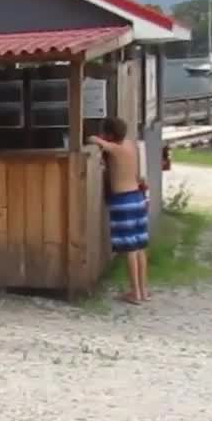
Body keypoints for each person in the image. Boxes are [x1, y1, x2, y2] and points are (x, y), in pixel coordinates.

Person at [89, 116, 150, 304]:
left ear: (109, 134)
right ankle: (144, 291)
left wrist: (98, 138)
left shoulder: (114, 149)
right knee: (139, 247)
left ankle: (135, 293)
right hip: (137, 197)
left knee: (129, 249)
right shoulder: (130, 145)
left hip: (122, 201)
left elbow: (92, 139)